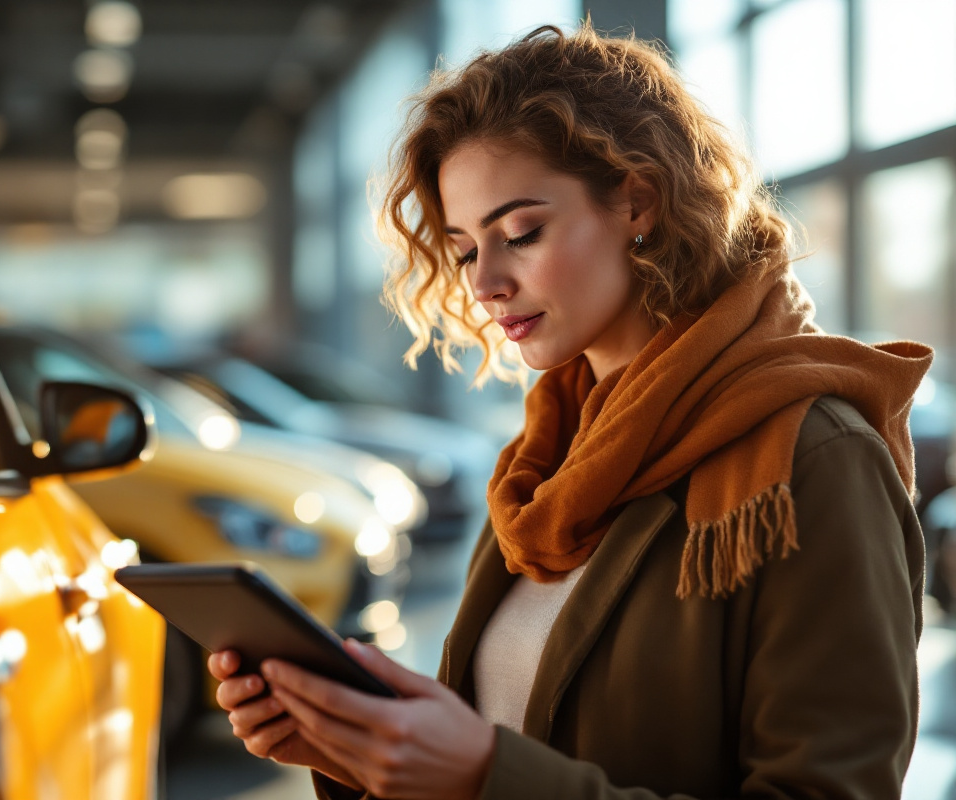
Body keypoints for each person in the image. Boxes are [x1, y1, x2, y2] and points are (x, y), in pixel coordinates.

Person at [209, 22, 933, 799]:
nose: (483, 281)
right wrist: (356, 754)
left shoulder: (814, 459)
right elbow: (511, 728)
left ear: (638, 202)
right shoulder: (546, 458)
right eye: (461, 249)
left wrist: (487, 775)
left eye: (520, 233)